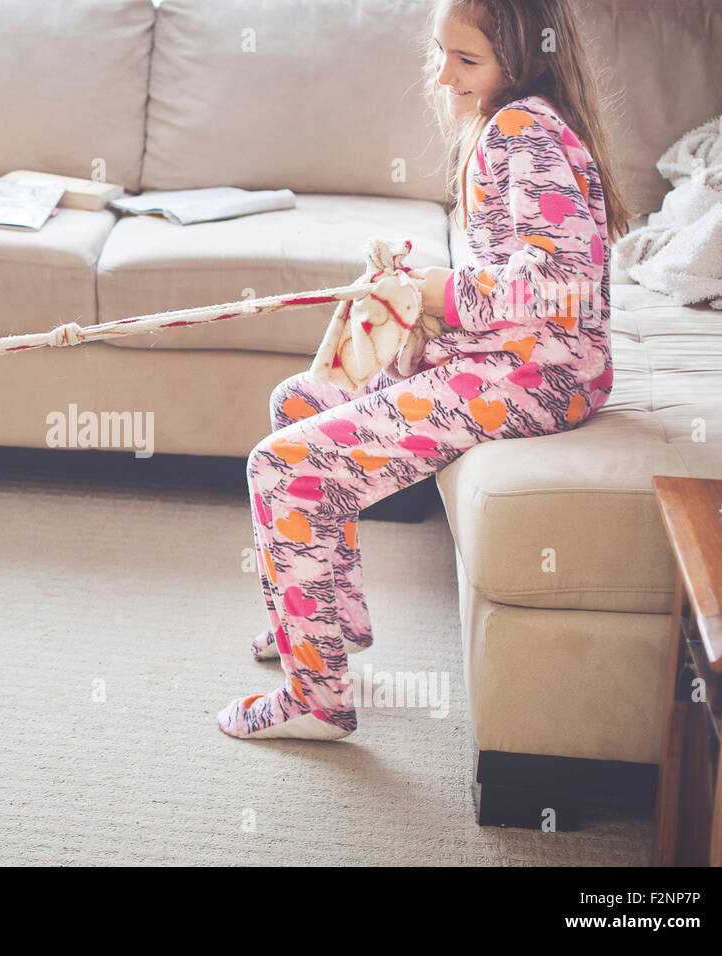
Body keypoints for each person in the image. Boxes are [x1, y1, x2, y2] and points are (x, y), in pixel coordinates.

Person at [218, 0, 635, 740]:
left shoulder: (521, 127)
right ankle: (329, 623)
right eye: (440, 52)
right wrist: (434, 303)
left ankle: (317, 700)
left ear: (526, 58)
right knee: (298, 404)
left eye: (466, 60)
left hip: (533, 377)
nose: (444, 73)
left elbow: (562, 283)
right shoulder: (514, 122)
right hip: (512, 362)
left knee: (278, 468)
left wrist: (443, 292)